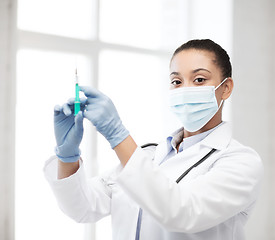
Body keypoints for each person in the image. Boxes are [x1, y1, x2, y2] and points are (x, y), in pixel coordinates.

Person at [44, 39, 263, 240]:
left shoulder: (240, 162)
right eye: (176, 81)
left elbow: (183, 212)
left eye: (199, 79)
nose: (185, 89)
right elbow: (82, 207)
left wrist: (117, 134)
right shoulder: (148, 155)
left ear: (225, 88)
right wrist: (67, 156)